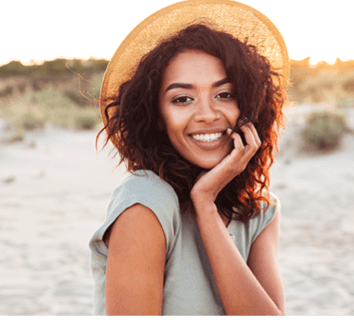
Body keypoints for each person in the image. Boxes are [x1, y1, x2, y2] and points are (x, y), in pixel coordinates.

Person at [89, 0, 289, 316]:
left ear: (248, 107)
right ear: (157, 117)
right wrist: (204, 199)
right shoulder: (146, 201)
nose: (207, 115)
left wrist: (206, 205)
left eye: (224, 94)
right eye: (183, 99)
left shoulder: (260, 210)